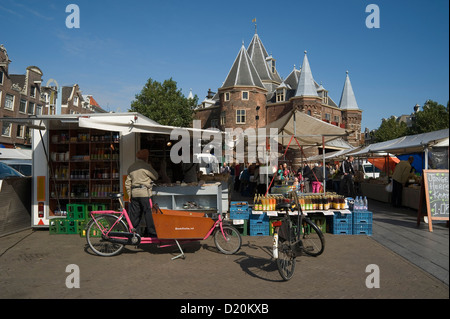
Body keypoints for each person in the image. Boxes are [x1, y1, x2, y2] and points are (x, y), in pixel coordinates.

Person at [125, 149, 159, 237]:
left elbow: (127, 183)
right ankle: (152, 233)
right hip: (145, 194)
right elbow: (155, 176)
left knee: (135, 215)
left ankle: (135, 235)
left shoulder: (131, 167)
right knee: (148, 214)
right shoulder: (146, 166)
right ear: (146, 157)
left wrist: (129, 195)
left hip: (134, 193)